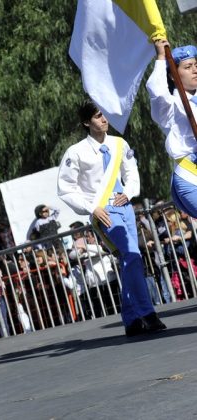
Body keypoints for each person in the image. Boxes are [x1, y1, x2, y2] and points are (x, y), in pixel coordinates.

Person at [57, 100, 165, 336]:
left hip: (123, 205)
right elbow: (65, 188)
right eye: (98, 116)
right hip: (102, 211)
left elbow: (131, 173)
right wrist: (91, 208)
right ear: (87, 122)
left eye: (105, 114)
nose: (104, 119)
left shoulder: (119, 144)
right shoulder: (76, 152)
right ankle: (148, 313)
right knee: (132, 256)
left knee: (130, 259)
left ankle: (132, 319)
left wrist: (127, 193)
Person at [146, 40, 197, 217]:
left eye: (196, 65)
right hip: (190, 175)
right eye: (188, 66)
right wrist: (161, 58)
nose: (195, 70)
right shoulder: (171, 106)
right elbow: (157, 91)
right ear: (173, 75)